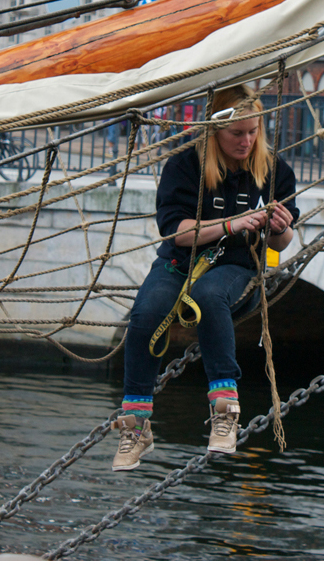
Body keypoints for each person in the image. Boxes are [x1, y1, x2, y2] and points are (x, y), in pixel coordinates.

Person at [113, 84, 299, 471]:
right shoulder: (184, 166)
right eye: (236, 134)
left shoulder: (276, 170)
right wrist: (231, 224)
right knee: (146, 315)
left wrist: (281, 227)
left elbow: (280, 243)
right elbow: (176, 232)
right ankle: (136, 426)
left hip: (237, 266)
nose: (246, 141)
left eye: (253, 132)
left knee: (209, 297)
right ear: (214, 130)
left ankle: (225, 411)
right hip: (181, 260)